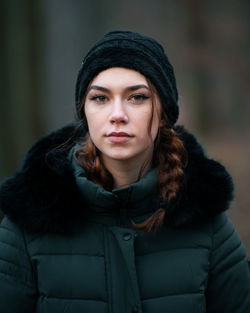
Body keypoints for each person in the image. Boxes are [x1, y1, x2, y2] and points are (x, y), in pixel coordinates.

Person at [0, 30, 249, 313]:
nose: (117, 114)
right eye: (100, 98)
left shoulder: (208, 226)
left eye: (137, 97)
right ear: (85, 111)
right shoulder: (27, 225)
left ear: (163, 112)